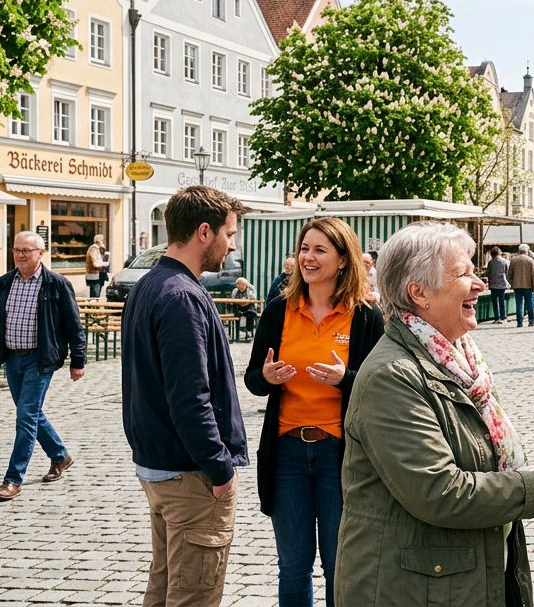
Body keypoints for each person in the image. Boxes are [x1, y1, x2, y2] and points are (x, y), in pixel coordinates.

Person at [335, 222, 534, 606]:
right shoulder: (393, 375)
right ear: (419, 293)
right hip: (411, 589)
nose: (479, 283)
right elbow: (438, 491)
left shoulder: (461, 361)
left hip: (455, 578)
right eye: (463, 274)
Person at [244, 217, 385, 607]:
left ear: (343, 260)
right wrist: (268, 376)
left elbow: (382, 388)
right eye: (304, 248)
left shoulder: (365, 316)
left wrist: (345, 377)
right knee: (293, 565)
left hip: (340, 456)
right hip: (286, 452)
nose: (308, 257)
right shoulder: (278, 312)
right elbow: (253, 379)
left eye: (319, 250)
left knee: (339, 564)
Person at [121, 186, 249, 607]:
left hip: (160, 466)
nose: (232, 246)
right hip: (188, 473)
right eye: (229, 234)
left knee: (163, 589)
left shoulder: (150, 284)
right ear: (204, 232)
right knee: (193, 594)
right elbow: (190, 397)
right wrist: (219, 469)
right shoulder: (180, 295)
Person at [0, 231, 85, 501]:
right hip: (12, 357)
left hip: (40, 359)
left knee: (25, 417)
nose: (20, 255)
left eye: (26, 250)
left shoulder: (56, 283)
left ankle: (12, 479)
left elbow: (73, 325)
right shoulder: (6, 282)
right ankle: (60, 456)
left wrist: (78, 361)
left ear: (40, 254)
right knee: (30, 413)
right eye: (16, 250)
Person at [509, 244, 534, 327]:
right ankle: (531, 321)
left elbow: (509, 274)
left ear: (519, 250)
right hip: (528, 286)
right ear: (527, 251)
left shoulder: (513, 260)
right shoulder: (530, 260)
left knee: (518, 304)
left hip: (517, 286)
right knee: (529, 304)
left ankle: (519, 322)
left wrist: (512, 283)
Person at [486, 246, 510, 325]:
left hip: (493, 284)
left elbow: (488, 273)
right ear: (499, 253)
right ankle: (503, 317)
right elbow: (507, 273)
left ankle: (496, 317)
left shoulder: (490, 262)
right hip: (502, 284)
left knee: (495, 302)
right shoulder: (505, 261)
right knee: (502, 301)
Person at [84, 234, 109, 299]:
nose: (103, 242)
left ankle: (93, 307)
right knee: (95, 296)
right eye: (102, 240)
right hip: (95, 276)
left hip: (97, 276)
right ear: (99, 241)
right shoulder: (94, 248)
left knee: (95, 295)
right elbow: (96, 263)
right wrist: (105, 264)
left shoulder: (98, 249)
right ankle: (93, 308)